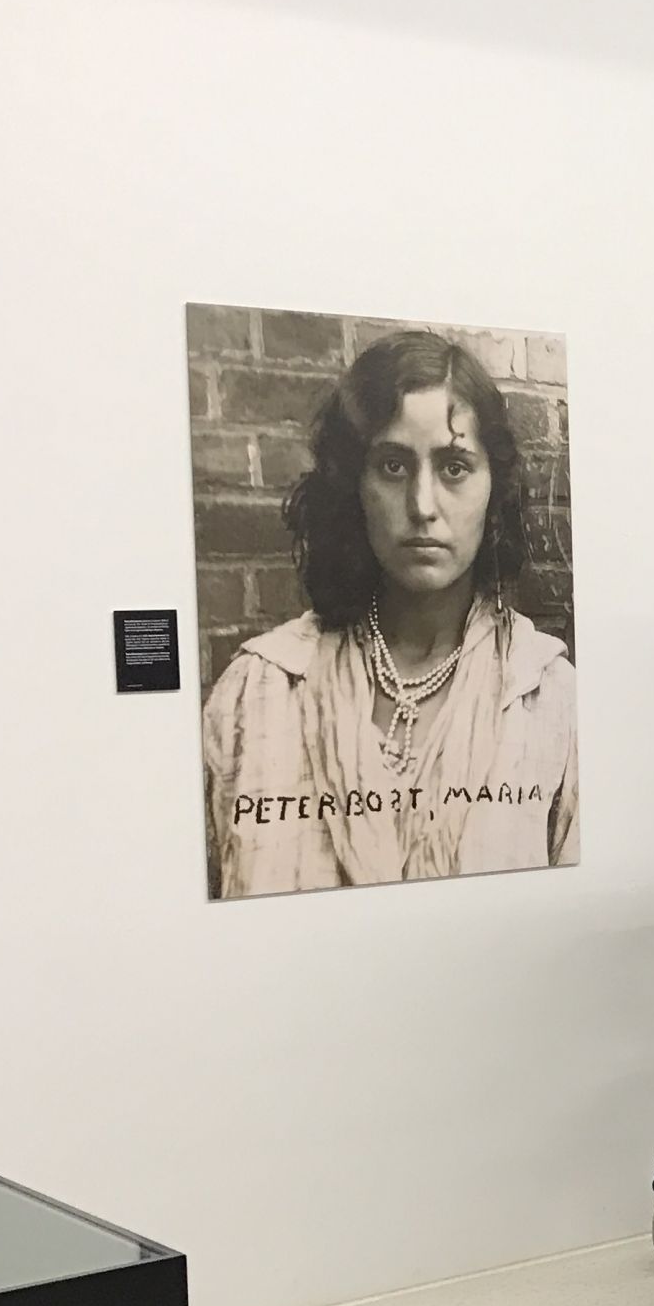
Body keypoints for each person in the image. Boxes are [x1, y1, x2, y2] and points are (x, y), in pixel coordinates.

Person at [202, 331, 579, 895]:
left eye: (454, 467)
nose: (422, 506)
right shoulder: (258, 692)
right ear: (354, 485)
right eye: (394, 466)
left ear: (493, 490)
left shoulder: (546, 699)